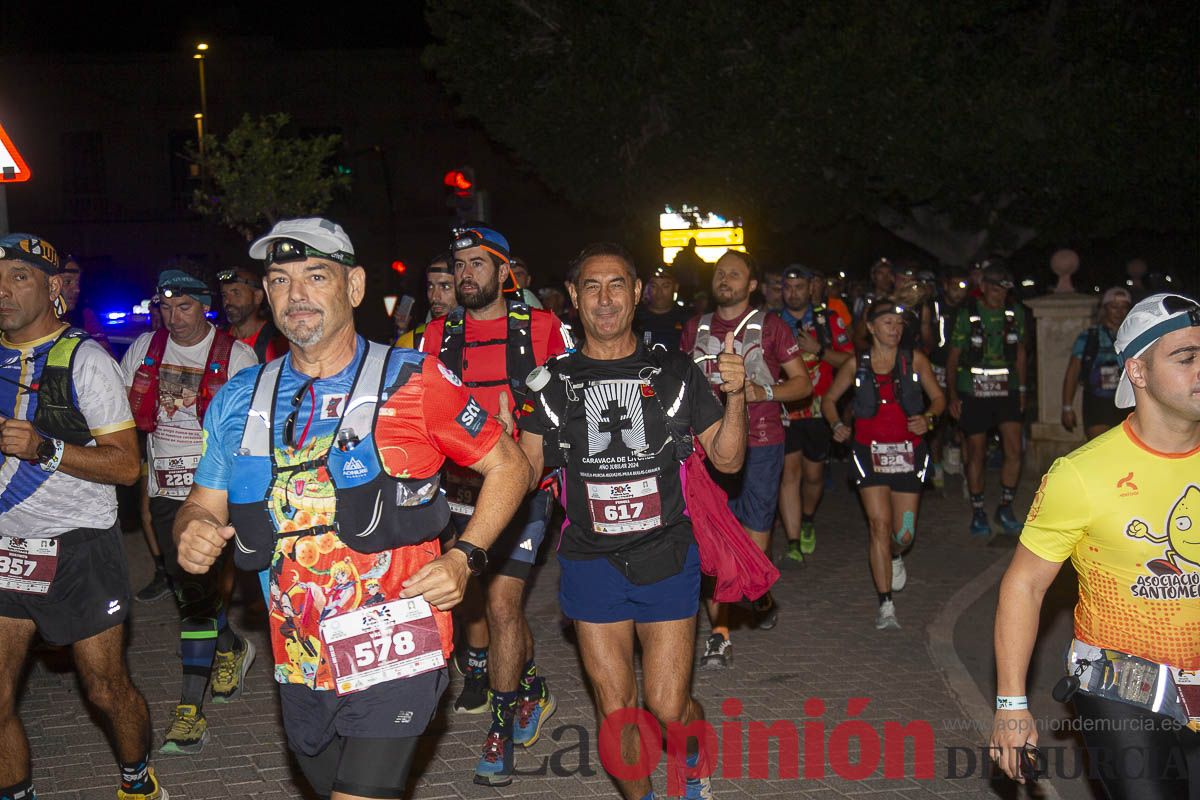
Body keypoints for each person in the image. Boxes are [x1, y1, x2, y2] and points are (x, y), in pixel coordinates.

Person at [175, 217, 531, 800]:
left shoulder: (414, 379)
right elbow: (201, 504)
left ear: (355, 287)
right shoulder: (239, 398)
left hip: (398, 644)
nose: (298, 296)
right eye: (281, 280)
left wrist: (465, 558)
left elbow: (510, 464)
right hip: (297, 654)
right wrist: (193, 530)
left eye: (317, 276)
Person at [517, 242, 749, 800]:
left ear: (637, 292)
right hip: (590, 559)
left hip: (666, 552)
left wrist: (736, 394)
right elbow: (524, 474)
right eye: (591, 286)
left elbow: (729, 460)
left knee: (668, 707)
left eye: (616, 284)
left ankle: (692, 758)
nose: (604, 298)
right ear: (573, 297)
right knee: (617, 709)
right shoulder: (548, 383)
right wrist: (490, 448)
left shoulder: (675, 371)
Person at [989, 293, 1199, 799]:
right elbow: (1025, 583)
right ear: (1139, 371)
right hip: (1124, 686)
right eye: (1186, 357)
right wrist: (1012, 706)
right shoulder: (1081, 475)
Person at [0, 234, 166, 800]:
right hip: (7, 549)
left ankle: (137, 781)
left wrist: (45, 448)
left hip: (78, 548)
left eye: (20, 276)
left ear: (52, 289)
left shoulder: (86, 360)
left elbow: (126, 468)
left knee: (104, 688)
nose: (4, 288)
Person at [421, 225, 568, 786]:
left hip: (525, 487)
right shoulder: (436, 335)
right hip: (457, 491)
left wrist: (530, 428)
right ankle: (531, 686)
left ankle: (502, 729)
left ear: (505, 272)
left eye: (477, 264)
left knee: (503, 605)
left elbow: (574, 404)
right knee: (474, 603)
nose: (465, 275)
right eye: (459, 265)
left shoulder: (546, 328)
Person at [119, 269, 259, 754]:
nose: (172, 317)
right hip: (164, 493)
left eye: (184, 307)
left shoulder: (238, 356)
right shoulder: (144, 350)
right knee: (191, 590)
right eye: (165, 307)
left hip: (215, 493)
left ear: (204, 307)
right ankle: (233, 648)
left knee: (195, 596)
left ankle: (189, 709)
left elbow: (251, 433)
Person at [681, 249, 812, 668]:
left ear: (751, 284)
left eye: (734, 274)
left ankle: (758, 591)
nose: (725, 280)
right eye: (720, 274)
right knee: (714, 538)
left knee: (753, 535)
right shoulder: (694, 328)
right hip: (706, 446)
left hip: (761, 441)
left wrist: (763, 391)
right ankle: (720, 633)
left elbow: (802, 383)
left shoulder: (771, 327)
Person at [821, 299, 944, 629]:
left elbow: (939, 398)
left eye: (899, 324)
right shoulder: (855, 364)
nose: (895, 329)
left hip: (908, 453)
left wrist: (928, 419)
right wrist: (836, 425)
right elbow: (829, 400)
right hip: (868, 454)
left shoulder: (915, 360)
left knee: (903, 532)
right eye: (887, 323)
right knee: (878, 525)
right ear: (871, 327)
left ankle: (895, 553)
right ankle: (886, 605)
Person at [945, 262, 1028, 536]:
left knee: (1014, 449)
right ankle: (978, 509)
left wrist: (1023, 390)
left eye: (1004, 290)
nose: (999, 294)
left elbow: (1020, 353)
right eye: (995, 288)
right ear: (983, 288)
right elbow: (954, 356)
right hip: (974, 390)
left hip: (1007, 389)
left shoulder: (1014, 313)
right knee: (976, 451)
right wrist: (953, 395)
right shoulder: (968, 313)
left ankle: (1005, 505)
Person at [777, 265, 853, 562]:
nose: (793, 293)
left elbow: (849, 362)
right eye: (788, 287)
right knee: (790, 474)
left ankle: (807, 519)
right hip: (785, 412)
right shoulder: (771, 322)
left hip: (821, 410)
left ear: (812, 288)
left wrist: (818, 349)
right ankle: (793, 542)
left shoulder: (828, 320)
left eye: (799, 287)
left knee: (813, 475)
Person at [1061, 287, 1133, 440]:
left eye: (1124, 307)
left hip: (1127, 402)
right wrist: (1067, 407)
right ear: (1105, 309)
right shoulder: (1089, 336)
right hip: (1097, 403)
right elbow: (1073, 371)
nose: (1119, 312)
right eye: (1114, 307)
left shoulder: (1134, 336)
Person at [929, 266, 971, 485]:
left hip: (963, 369)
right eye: (954, 286)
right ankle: (936, 468)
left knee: (963, 417)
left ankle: (963, 464)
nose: (958, 291)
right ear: (945, 285)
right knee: (938, 417)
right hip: (936, 366)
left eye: (963, 286)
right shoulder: (933, 305)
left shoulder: (970, 308)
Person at [218, 266, 288, 362]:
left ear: (257, 297)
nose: (227, 301)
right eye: (224, 295)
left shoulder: (277, 342)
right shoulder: (219, 340)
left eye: (236, 293)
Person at [398, 253, 455, 349]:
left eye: (445, 286)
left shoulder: (477, 335)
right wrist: (401, 330)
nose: (434, 296)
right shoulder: (417, 338)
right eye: (430, 286)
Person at [59, 256, 114, 355]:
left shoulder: (84, 316)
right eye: (67, 282)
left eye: (78, 282)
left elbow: (107, 356)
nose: (77, 289)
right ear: (52, 284)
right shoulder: (35, 317)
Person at [635, 266, 691, 350]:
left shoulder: (688, 319)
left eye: (665, 286)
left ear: (675, 287)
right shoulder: (635, 318)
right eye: (654, 286)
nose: (659, 292)